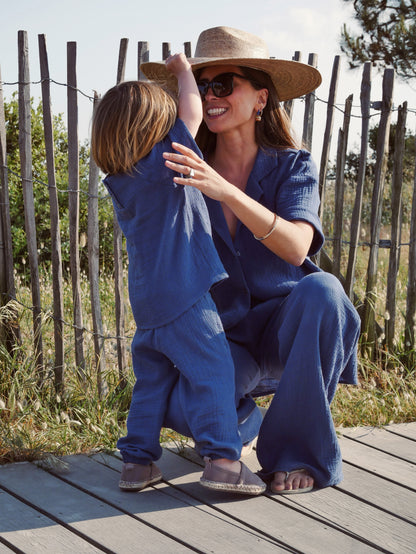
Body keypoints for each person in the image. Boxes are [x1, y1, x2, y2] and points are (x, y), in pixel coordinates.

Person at [141, 26, 361, 494]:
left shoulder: (292, 164)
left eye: (224, 84)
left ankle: (295, 453)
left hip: (287, 327)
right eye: (203, 86)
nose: (211, 95)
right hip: (223, 340)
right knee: (174, 406)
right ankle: (241, 426)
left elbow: (299, 247)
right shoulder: (183, 162)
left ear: (260, 98)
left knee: (325, 291)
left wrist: (223, 192)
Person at [91, 52, 266, 495]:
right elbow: (191, 110)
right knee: (213, 372)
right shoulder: (166, 162)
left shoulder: (121, 179)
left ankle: (137, 464)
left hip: (148, 308)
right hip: (185, 298)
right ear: (154, 129)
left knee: (152, 382)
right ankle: (224, 461)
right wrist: (183, 71)